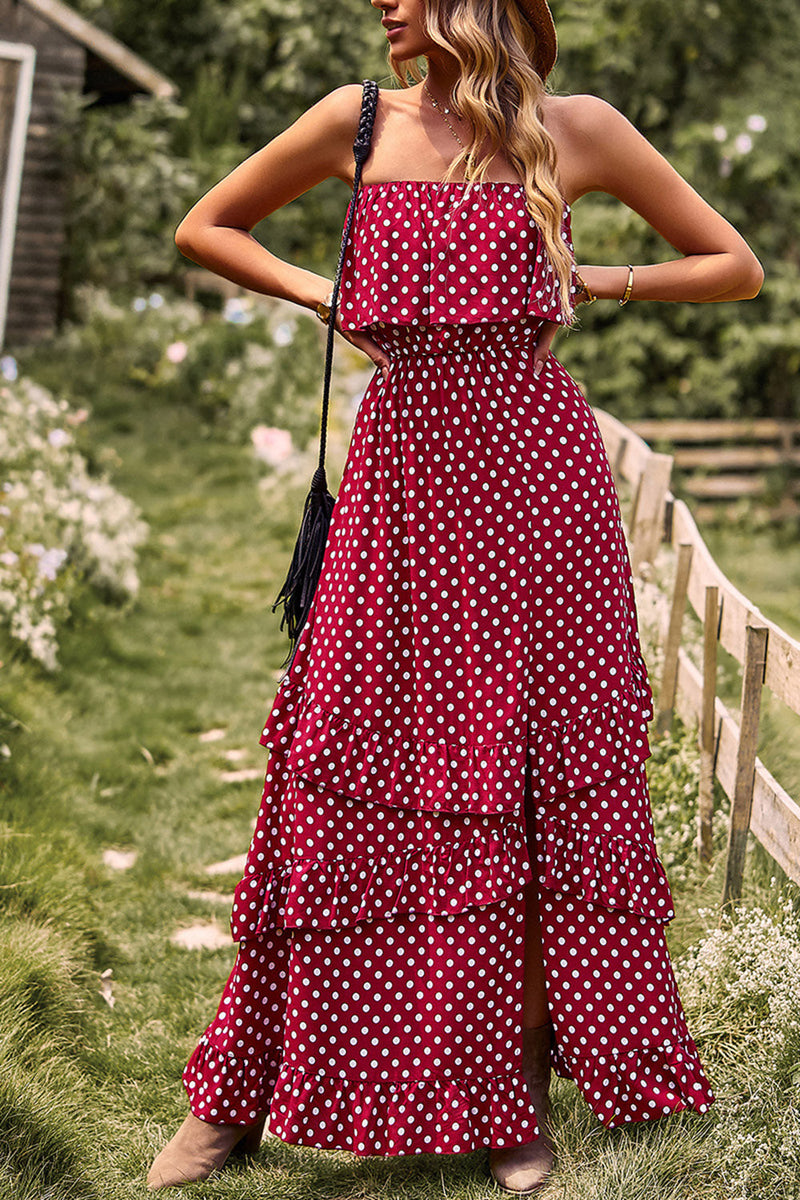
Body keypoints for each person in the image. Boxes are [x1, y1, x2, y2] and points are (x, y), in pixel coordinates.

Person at [148, 0, 763, 1192]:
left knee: (518, 778)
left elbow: (730, 266)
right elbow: (204, 227)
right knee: (351, 757)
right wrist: (322, 294)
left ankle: (505, 1092)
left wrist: (596, 276)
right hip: (400, 479)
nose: (382, 2)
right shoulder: (355, 119)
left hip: (537, 482)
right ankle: (234, 1094)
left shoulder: (573, 130)